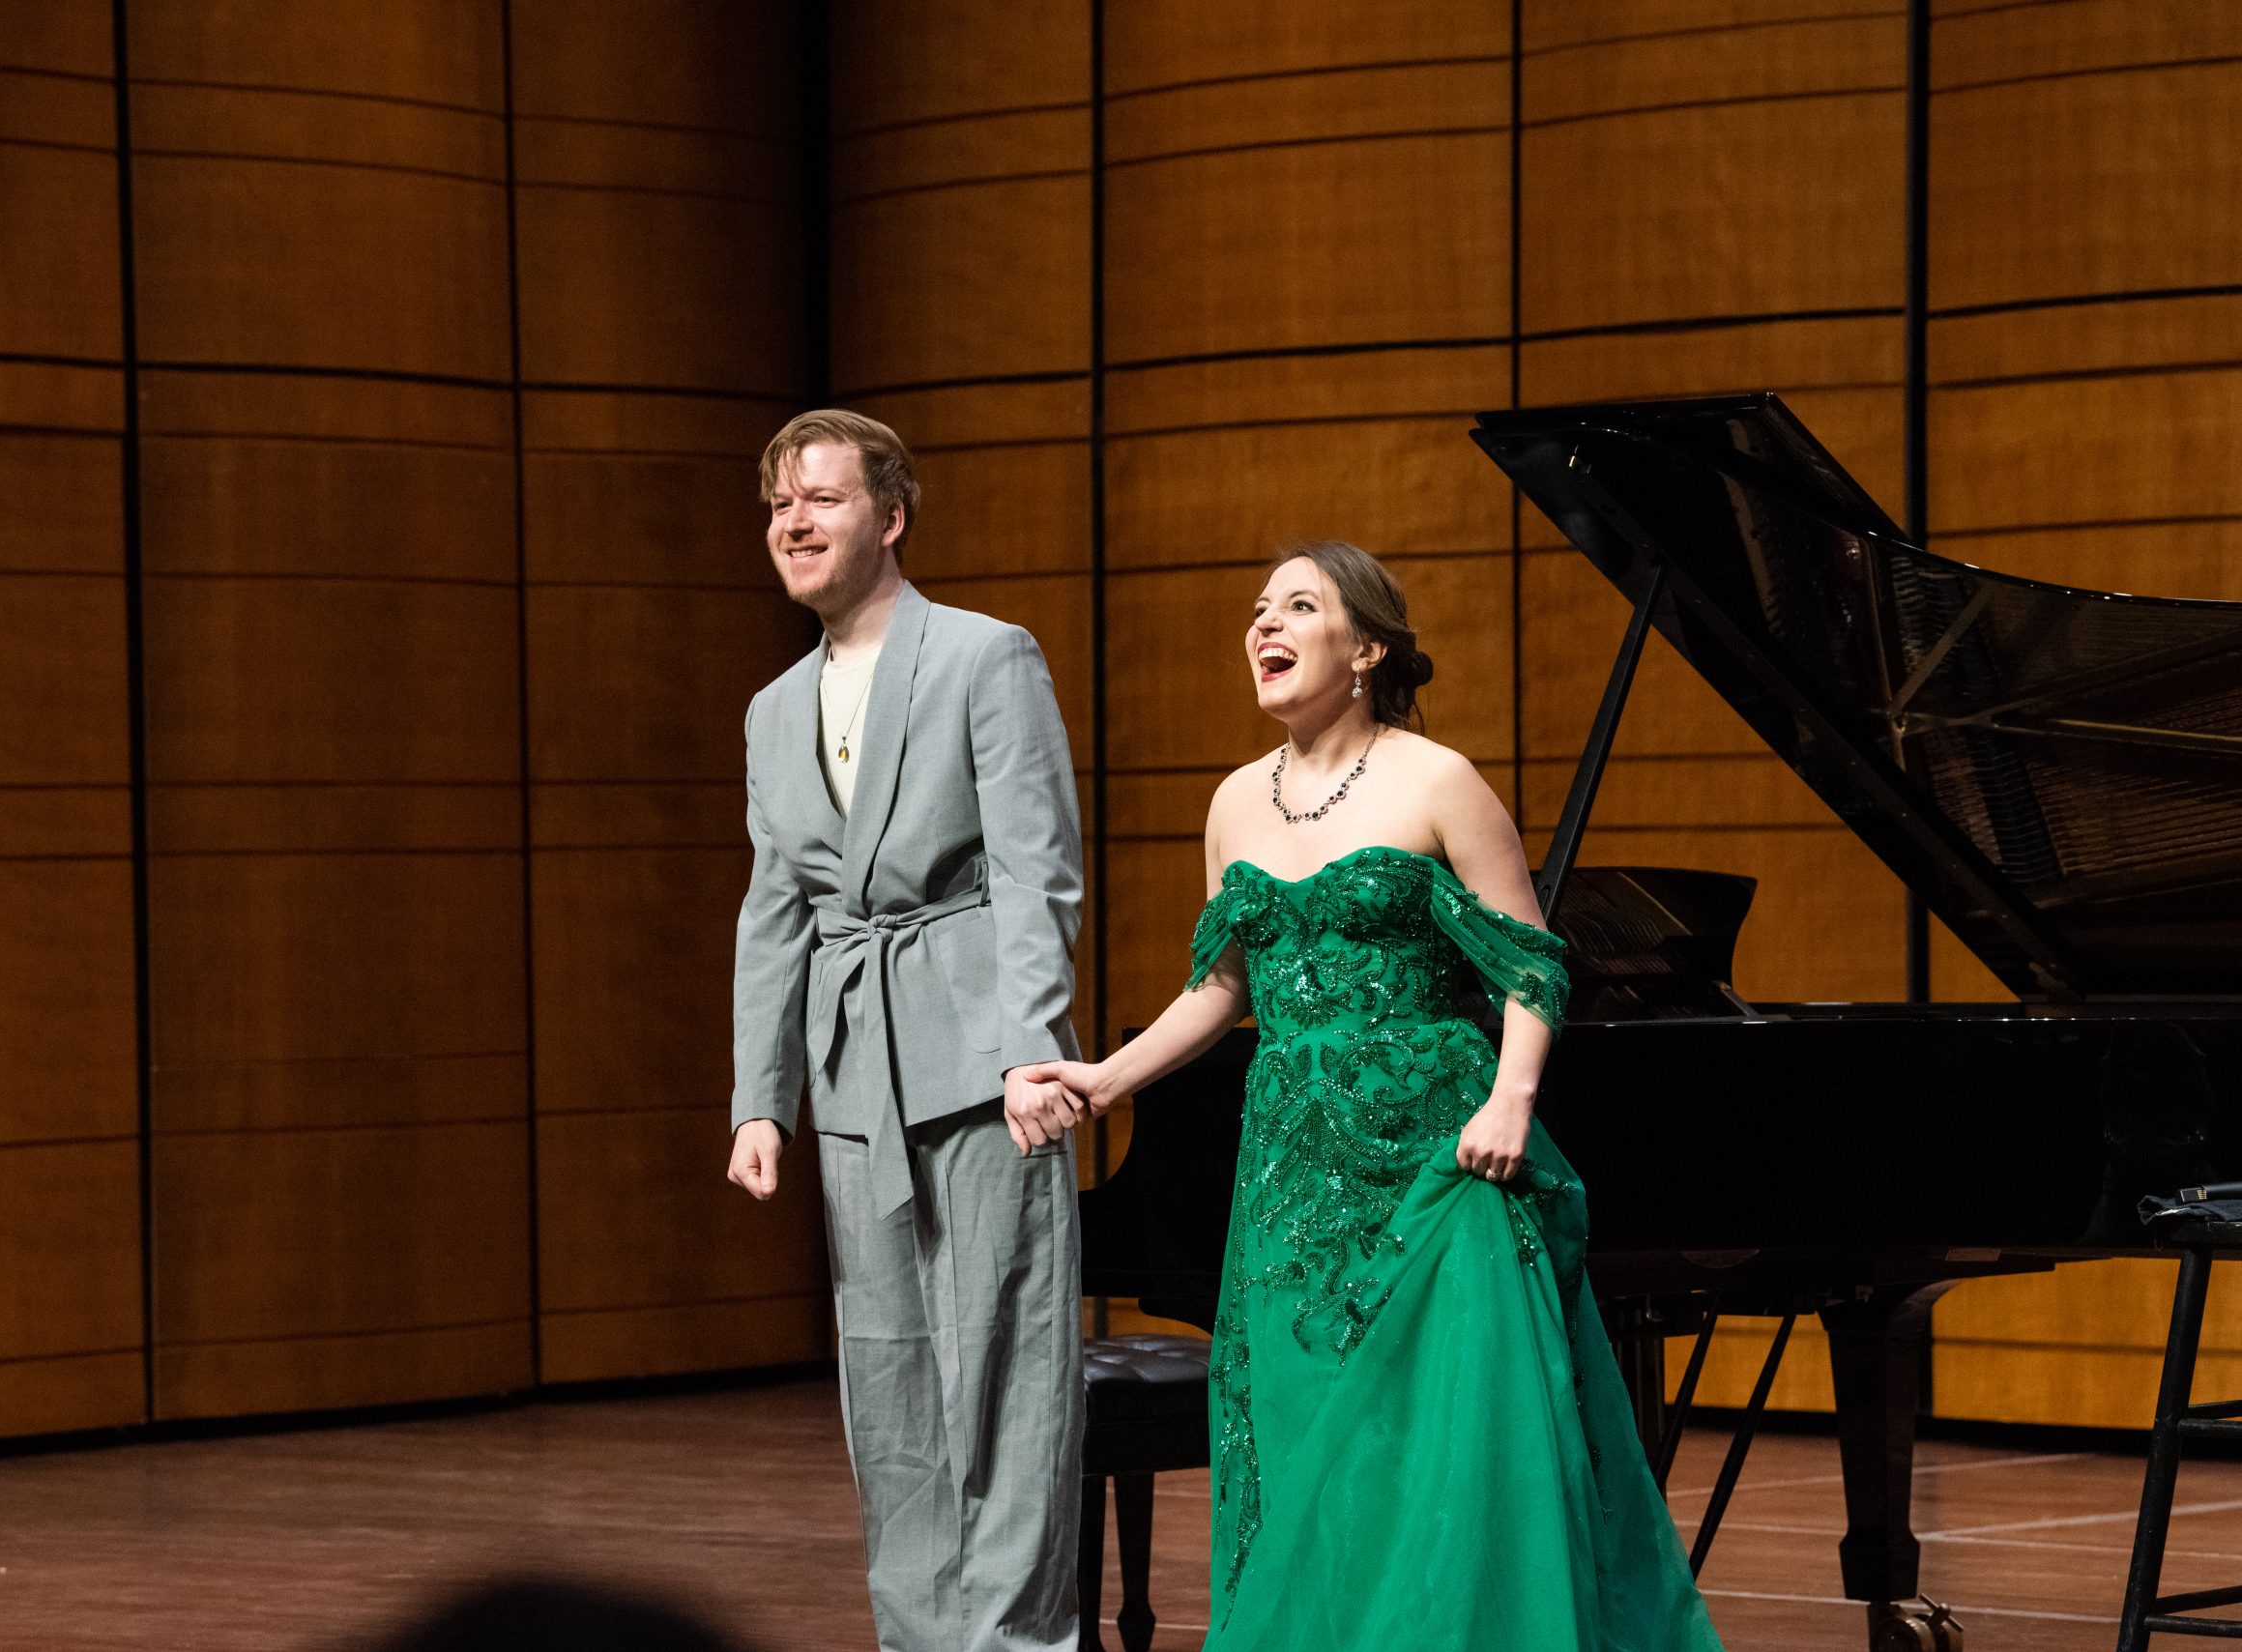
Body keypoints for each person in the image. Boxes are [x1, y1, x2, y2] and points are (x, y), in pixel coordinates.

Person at [1024, 541, 1724, 1650]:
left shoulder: (1435, 778)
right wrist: (1104, 1077)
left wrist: (1509, 1099)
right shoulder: (1230, 803)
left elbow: (1534, 963)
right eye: (1257, 608)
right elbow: (1221, 986)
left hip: (1439, 1166)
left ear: (1367, 647)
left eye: (1298, 605)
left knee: (1442, 1454)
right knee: (1310, 1453)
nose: (1264, 624)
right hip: (1293, 1180)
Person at [726, 409, 1088, 1652]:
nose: (794, 521)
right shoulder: (776, 708)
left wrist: (1029, 1046)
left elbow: (1039, 870)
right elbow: (774, 910)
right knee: (885, 1381)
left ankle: (1016, 1642)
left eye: (821, 497)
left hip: (984, 1057)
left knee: (1004, 1366)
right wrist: (759, 1096)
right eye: (779, 504)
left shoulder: (987, 656)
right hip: (850, 1073)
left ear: (891, 515)